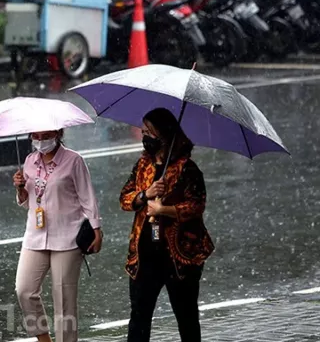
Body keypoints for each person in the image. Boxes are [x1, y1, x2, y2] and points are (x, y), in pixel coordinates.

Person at [119, 108, 215, 342]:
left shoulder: (187, 168)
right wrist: (145, 195)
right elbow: (125, 198)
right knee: (139, 317)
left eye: (149, 132)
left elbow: (196, 205)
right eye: (143, 131)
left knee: (186, 316)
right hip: (144, 255)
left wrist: (165, 210)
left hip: (179, 257)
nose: (145, 137)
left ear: (164, 135)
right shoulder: (143, 165)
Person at [13, 129, 102, 342]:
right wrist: (20, 189)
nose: (41, 141)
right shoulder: (29, 161)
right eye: (36, 136)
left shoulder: (74, 161)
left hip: (67, 236)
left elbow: (87, 197)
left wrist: (96, 229)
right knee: (24, 290)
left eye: (46, 136)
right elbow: (28, 201)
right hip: (35, 235)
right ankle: (44, 340)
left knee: (64, 299)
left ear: (58, 133)